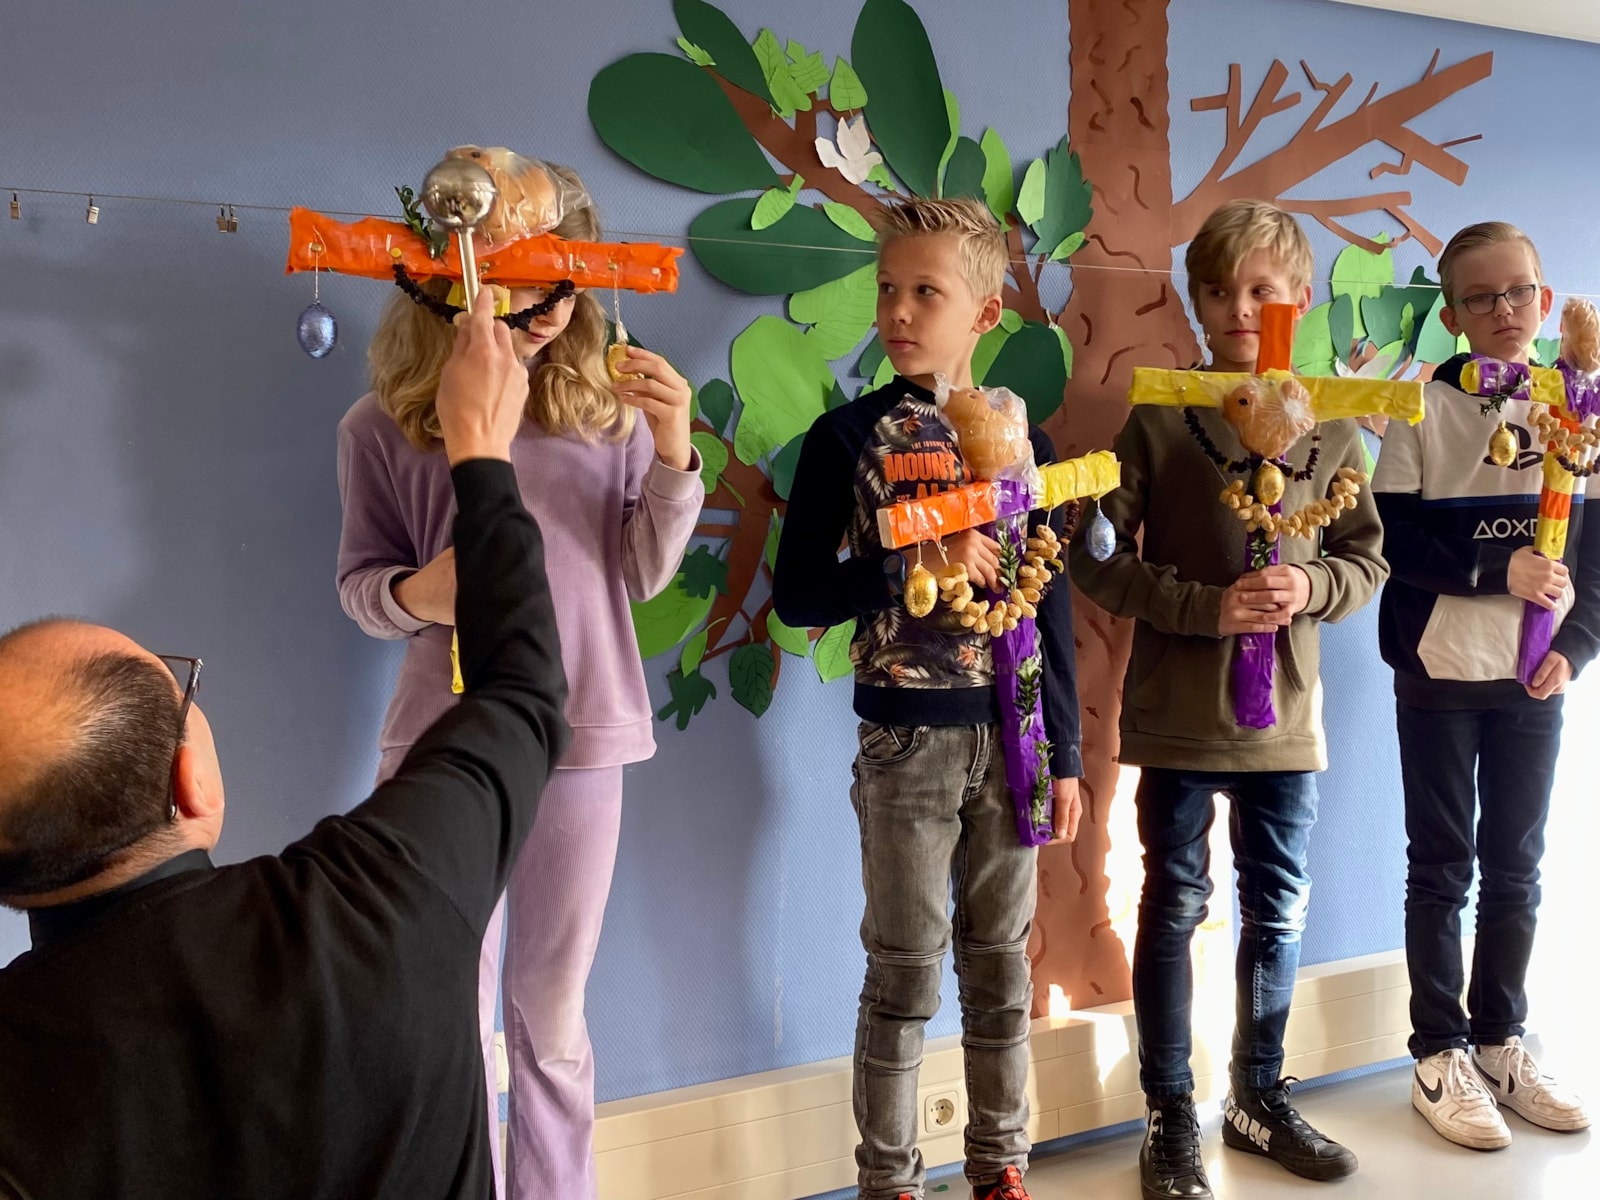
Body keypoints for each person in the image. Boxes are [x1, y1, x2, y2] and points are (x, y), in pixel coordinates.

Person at [0, 297, 567, 1199]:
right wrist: (482, 453)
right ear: (190, 780)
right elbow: (525, 693)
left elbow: (521, 695)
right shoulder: (378, 897)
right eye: (176, 685)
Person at [335, 158, 703, 1199]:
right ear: (446, 283)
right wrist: (425, 592)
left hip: (583, 738)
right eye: (505, 289)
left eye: (556, 290)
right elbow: (361, 588)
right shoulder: (382, 426)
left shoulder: (606, 417)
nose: (535, 316)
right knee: (437, 1004)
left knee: (551, 1015)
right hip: (439, 746)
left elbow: (641, 572)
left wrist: (674, 453)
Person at [1069, 200, 1384, 1199]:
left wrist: (1310, 586)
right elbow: (1094, 557)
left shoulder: (1334, 423)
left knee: (1276, 907)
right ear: (1196, 302)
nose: (1241, 308)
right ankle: (1169, 1112)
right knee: (1171, 906)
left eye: (1262, 290)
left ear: (1301, 297)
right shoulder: (1160, 417)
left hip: (1285, 724)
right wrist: (1205, 609)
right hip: (1175, 715)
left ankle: (1258, 1097)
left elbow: (1364, 559)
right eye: (1219, 291)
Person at [773, 196, 1084, 1200]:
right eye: (886, 289)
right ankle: (890, 1180)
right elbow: (797, 596)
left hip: (1015, 735)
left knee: (1000, 968)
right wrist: (910, 560)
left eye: (925, 292)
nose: (898, 312)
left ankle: (1001, 1166)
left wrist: (1067, 752)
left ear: (984, 313)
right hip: (907, 743)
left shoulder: (1023, 439)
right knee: (905, 971)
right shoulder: (847, 437)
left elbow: (1051, 599)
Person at [1373, 220, 1595, 1150]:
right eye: (1481, 297)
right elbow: (1394, 539)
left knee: (1518, 867)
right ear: (1454, 313)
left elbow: (1598, 555)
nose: (1505, 310)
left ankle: (1502, 1040)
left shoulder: (1578, 410)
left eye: (1520, 292)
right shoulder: (1421, 406)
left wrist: (1576, 646)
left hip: (1533, 679)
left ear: (1545, 298)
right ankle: (1439, 1053)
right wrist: (1493, 571)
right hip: (1439, 670)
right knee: (1441, 866)